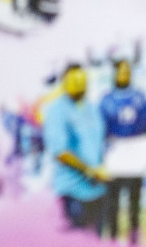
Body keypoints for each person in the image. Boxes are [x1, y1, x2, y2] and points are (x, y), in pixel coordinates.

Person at [43, 64, 108, 233]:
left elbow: (101, 143)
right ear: (64, 83)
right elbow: (60, 152)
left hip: (98, 190)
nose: (79, 84)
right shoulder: (56, 110)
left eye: (82, 80)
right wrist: (90, 171)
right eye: (73, 81)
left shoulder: (92, 108)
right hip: (73, 193)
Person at [99, 59, 146, 244]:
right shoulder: (106, 99)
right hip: (115, 157)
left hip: (135, 157)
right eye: (120, 71)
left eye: (127, 71)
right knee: (113, 201)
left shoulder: (140, 97)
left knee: (134, 200)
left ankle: (134, 236)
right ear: (115, 74)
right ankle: (113, 238)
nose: (124, 75)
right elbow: (101, 129)